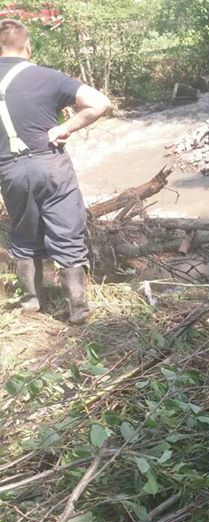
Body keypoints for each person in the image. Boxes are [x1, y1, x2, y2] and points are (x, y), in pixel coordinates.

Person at [0, 19, 111, 324]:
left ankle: (32, 303)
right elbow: (99, 103)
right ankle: (77, 308)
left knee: (23, 234)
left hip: (9, 172)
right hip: (49, 165)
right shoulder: (47, 77)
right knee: (66, 233)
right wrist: (66, 127)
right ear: (28, 44)